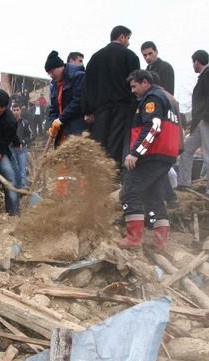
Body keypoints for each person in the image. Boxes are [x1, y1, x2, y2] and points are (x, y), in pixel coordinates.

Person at [117, 70, 180, 250]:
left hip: (152, 154)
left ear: (145, 82)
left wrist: (136, 152)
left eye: (134, 86)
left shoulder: (152, 99)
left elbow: (153, 127)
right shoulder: (169, 99)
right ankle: (160, 241)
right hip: (165, 155)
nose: (132, 91)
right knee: (154, 195)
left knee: (130, 191)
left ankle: (133, 238)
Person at [82, 25, 141, 163]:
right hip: (123, 108)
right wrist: (135, 106)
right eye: (128, 38)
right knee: (117, 144)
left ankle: (101, 176)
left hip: (100, 109)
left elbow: (87, 85)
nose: (129, 43)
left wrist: (87, 110)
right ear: (122, 36)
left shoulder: (95, 58)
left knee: (100, 145)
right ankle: (114, 176)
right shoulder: (130, 56)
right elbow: (135, 83)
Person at [176, 50, 209, 192]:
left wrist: (205, 117)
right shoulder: (206, 75)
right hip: (200, 122)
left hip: (208, 121)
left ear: (196, 61)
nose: (193, 66)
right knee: (186, 150)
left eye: (193, 63)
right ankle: (184, 183)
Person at [44, 50, 89, 147]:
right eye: (48, 73)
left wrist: (60, 119)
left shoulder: (78, 76)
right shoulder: (54, 84)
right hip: (62, 131)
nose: (51, 75)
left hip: (76, 127)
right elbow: (53, 109)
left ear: (61, 67)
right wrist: (51, 125)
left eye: (52, 71)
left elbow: (78, 101)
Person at [11, 101, 33, 188]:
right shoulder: (9, 122)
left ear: (20, 111)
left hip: (22, 149)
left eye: (17, 110)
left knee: (22, 169)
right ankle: (15, 187)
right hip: (11, 149)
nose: (16, 112)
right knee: (14, 169)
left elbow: (31, 135)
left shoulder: (25, 122)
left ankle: (23, 187)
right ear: (11, 111)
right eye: (14, 110)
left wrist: (23, 141)